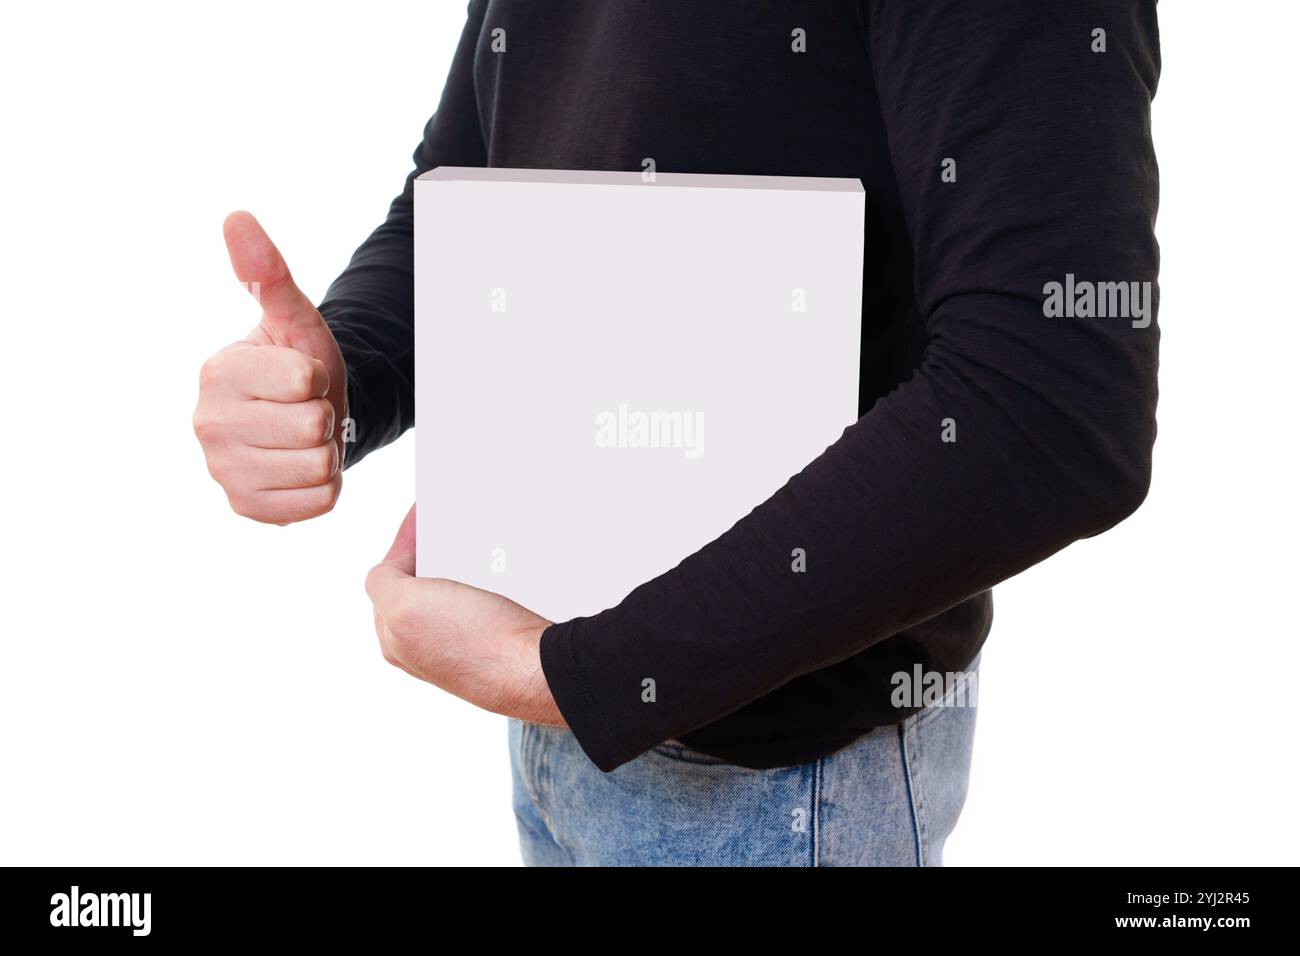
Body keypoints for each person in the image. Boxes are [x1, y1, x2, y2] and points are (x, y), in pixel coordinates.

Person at [193, 0, 1161, 866]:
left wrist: (575, 675)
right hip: (559, 724)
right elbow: (476, 172)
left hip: (779, 783)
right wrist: (335, 379)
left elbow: (1047, 399)